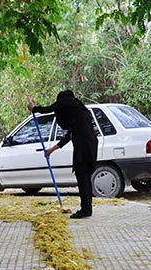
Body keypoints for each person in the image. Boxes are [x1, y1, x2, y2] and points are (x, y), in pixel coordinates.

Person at [27, 89, 98, 218]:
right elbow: (68, 136)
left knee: (82, 177)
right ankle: (87, 208)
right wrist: (51, 150)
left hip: (83, 145)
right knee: (85, 177)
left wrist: (34, 108)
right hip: (91, 144)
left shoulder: (68, 101)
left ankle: (86, 210)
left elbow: (50, 108)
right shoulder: (79, 110)